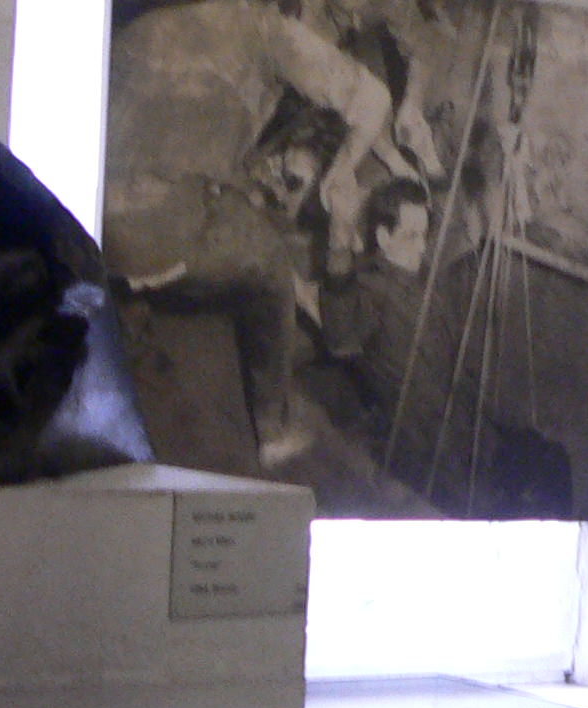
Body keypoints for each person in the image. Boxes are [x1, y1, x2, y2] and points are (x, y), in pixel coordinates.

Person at [104, 0, 417, 465]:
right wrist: (341, 169)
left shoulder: (162, 18)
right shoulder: (268, 30)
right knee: (271, 268)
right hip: (152, 230)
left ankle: (128, 319)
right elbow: (373, 100)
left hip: (79, 206)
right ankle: (274, 429)